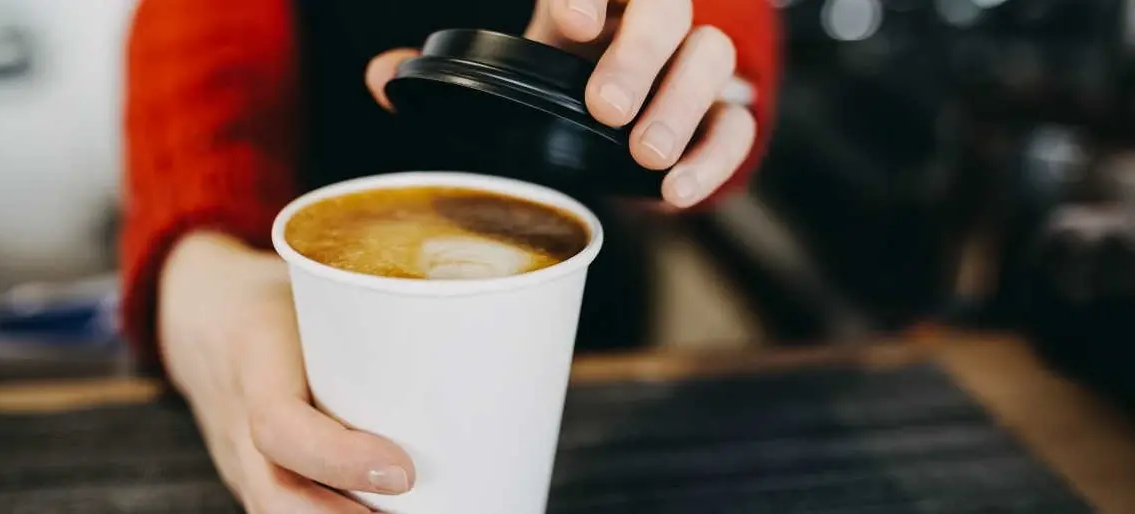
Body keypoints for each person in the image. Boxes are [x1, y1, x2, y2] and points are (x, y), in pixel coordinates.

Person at [121, 0, 780, 512]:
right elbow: (204, 34)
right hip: (298, 284)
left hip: (581, 320)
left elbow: (717, 30)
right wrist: (201, 258)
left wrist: (682, 68)